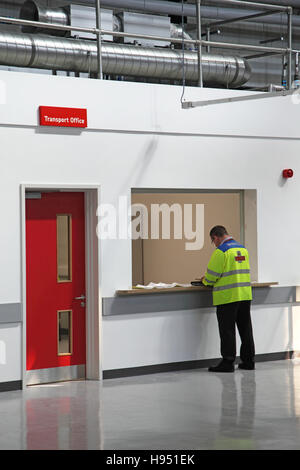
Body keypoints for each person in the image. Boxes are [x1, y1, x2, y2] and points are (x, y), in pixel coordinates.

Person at [200, 225, 255, 372]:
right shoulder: (243, 249)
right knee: (245, 329)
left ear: (216, 237)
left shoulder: (221, 251)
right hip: (244, 295)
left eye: (213, 241)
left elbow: (212, 276)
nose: (215, 244)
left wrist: (204, 280)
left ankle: (228, 362)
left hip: (227, 297)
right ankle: (249, 361)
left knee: (227, 331)